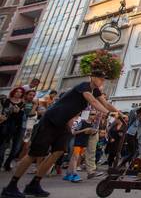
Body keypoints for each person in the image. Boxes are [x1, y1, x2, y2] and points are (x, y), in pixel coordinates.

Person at [2, 50, 122, 198]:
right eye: (99, 78)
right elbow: (92, 101)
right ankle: (11, 185)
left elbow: (105, 103)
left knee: (58, 152)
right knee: (34, 154)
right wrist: (108, 113)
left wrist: (120, 114)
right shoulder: (84, 86)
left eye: (103, 79)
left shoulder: (96, 91)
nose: (101, 81)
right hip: (51, 120)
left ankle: (34, 184)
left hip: (63, 124)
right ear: (92, 77)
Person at [64, 112, 97, 182]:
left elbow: (92, 133)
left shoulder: (93, 124)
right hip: (78, 142)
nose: (93, 116)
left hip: (84, 143)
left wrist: (93, 131)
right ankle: (74, 174)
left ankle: (68, 174)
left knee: (75, 158)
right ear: (88, 115)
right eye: (92, 114)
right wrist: (84, 130)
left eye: (94, 115)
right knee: (75, 158)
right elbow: (74, 132)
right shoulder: (82, 122)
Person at [1, 87, 26, 172]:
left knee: (13, 147)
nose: (18, 93)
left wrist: (18, 112)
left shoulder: (22, 104)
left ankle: (7, 164)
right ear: (13, 92)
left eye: (20, 92)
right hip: (4, 125)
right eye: (17, 91)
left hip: (15, 127)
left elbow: (20, 118)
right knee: (3, 146)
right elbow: (3, 112)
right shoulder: (6, 101)